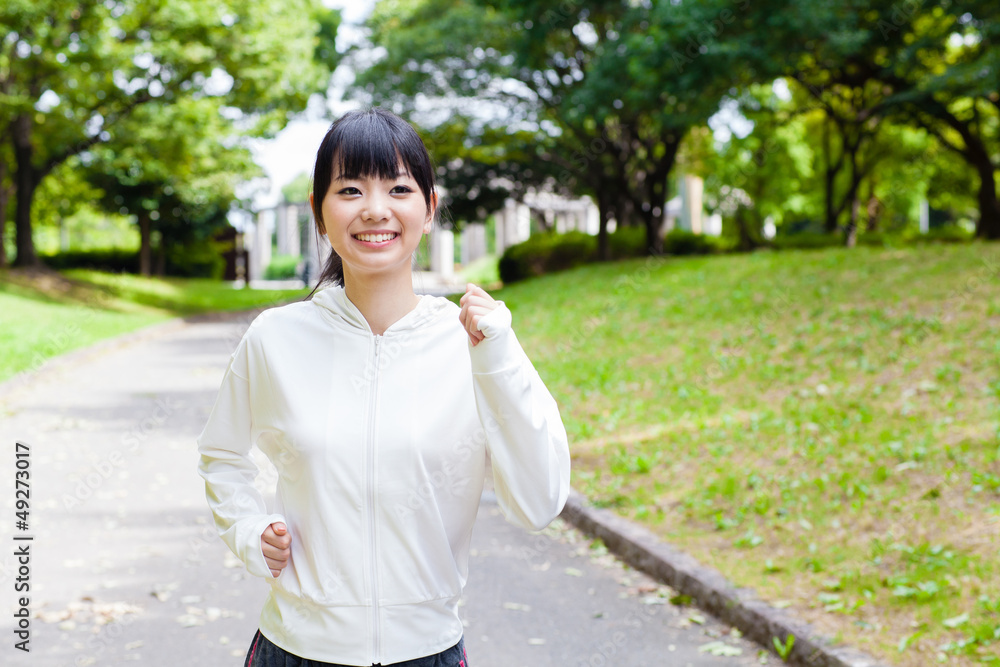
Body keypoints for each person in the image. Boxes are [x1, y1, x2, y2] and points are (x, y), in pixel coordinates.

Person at [196, 107, 571, 667]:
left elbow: (539, 501)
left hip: (427, 650)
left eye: (398, 188)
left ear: (429, 208)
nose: (374, 210)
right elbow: (221, 454)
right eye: (349, 189)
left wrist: (498, 358)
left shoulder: (474, 342)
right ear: (319, 213)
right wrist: (250, 532)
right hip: (295, 648)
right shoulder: (275, 338)